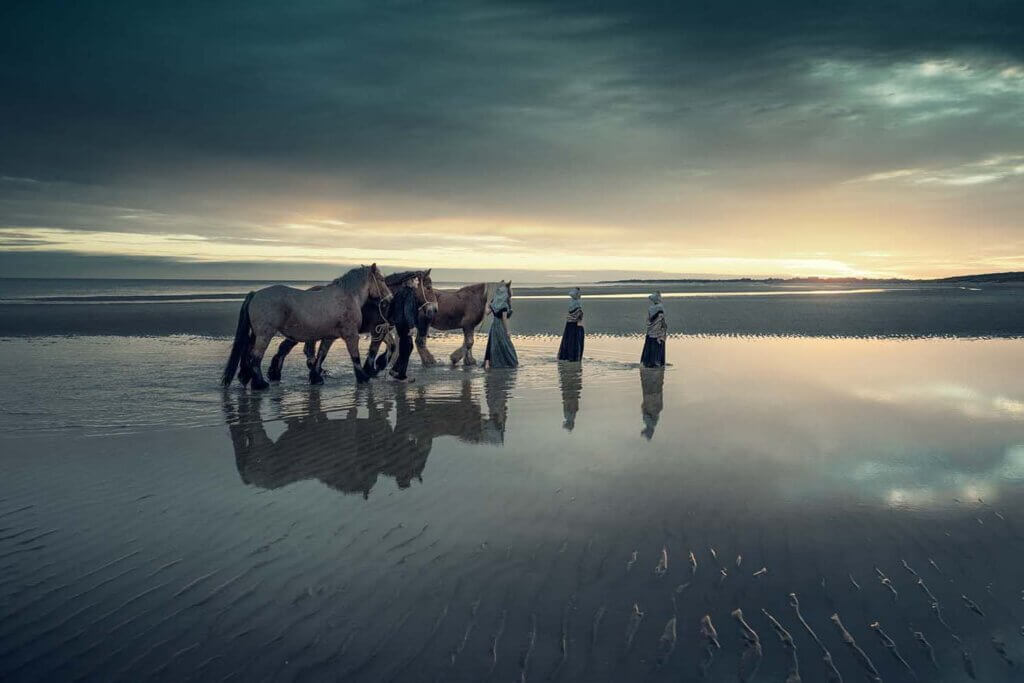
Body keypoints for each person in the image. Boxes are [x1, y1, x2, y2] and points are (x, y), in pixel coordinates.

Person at [387, 276, 421, 382]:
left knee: (407, 347)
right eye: (416, 280)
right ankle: (401, 376)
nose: (418, 282)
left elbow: (391, 306)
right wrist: (412, 326)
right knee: (407, 348)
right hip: (405, 324)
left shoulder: (399, 291)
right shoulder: (410, 293)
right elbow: (407, 310)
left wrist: (389, 320)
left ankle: (395, 370)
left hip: (399, 323)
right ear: (410, 281)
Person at [483, 280, 518, 368]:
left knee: (491, 343)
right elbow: (504, 319)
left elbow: (487, 312)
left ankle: (487, 363)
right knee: (504, 344)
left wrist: (487, 303)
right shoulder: (504, 306)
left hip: (493, 326)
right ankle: (506, 361)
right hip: (500, 327)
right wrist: (508, 331)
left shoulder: (494, 303)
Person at [556, 287, 585, 361]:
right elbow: (579, 316)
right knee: (574, 341)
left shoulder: (571, 302)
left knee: (568, 340)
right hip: (574, 325)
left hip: (569, 324)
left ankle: (567, 356)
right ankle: (573, 356)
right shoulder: (577, 303)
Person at [640, 291, 667, 367]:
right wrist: (664, 328)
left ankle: (648, 362)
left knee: (650, 344)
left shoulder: (650, 308)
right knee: (657, 344)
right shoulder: (660, 307)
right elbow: (662, 319)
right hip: (658, 330)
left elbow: (649, 319)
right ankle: (656, 362)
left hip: (650, 330)